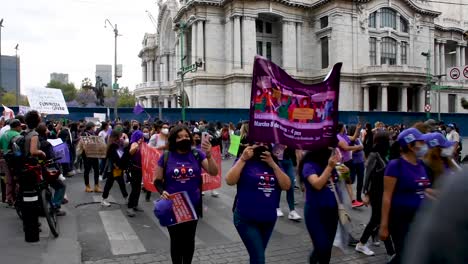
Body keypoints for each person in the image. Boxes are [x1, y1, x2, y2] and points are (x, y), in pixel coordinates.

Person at [154, 125, 218, 264]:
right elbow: (157, 180)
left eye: (186, 136)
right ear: (173, 139)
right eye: (179, 136)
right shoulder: (165, 156)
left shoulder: (197, 154)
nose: (184, 138)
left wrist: (208, 154)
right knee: (176, 241)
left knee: (189, 240)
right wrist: (161, 191)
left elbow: (213, 172)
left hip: (192, 206)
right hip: (173, 205)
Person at [225, 143, 291, 264]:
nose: (261, 145)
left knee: (256, 255)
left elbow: (286, 185)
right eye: (257, 143)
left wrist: (273, 164)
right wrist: (243, 159)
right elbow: (230, 180)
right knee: (259, 258)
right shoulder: (245, 161)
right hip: (246, 219)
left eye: (265, 143)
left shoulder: (275, 163)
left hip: (268, 219)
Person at [380, 128, 433, 264]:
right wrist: (384, 225)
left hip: (419, 219)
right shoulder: (395, 166)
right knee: (405, 255)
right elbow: (387, 196)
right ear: (410, 145)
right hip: (401, 220)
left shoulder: (422, 165)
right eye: (421, 142)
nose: (424, 145)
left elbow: (424, 189)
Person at [298, 147, 343, 264]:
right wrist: (329, 167)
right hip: (315, 212)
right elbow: (317, 184)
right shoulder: (309, 165)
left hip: (332, 211)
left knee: (327, 249)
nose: (332, 151)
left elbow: (345, 180)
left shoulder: (331, 164)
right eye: (330, 149)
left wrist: (344, 172)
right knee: (321, 247)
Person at [355, 131, 395, 258]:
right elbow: (368, 175)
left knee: (382, 218)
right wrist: (366, 193)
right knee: (377, 218)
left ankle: (390, 251)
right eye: (387, 139)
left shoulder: (387, 154)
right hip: (376, 191)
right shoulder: (374, 154)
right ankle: (362, 243)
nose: (389, 142)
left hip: (384, 190)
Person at [336, 123, 364, 208]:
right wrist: (357, 147)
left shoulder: (344, 136)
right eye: (344, 127)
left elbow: (353, 138)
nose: (345, 128)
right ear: (341, 128)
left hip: (347, 161)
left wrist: (357, 129)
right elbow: (346, 148)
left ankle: (353, 201)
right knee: (339, 182)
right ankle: (338, 201)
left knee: (347, 182)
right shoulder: (338, 137)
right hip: (341, 163)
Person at [101, 130, 129, 207]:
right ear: (116, 137)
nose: (121, 137)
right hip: (114, 168)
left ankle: (126, 198)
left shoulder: (114, 144)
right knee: (111, 184)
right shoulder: (113, 145)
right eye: (120, 136)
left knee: (120, 183)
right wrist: (116, 165)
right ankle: (104, 199)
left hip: (117, 168)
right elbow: (113, 157)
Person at [275, 145, 302, 221]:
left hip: (288, 159)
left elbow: (297, 148)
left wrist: (298, 161)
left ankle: (292, 211)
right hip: (278, 159)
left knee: (291, 184)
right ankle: (277, 207)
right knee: (279, 183)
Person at [127, 130, 145, 217]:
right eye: (141, 136)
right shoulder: (134, 143)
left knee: (138, 188)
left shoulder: (143, 144)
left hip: (140, 169)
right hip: (134, 168)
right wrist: (137, 145)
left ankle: (135, 205)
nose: (142, 138)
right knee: (134, 188)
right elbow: (130, 152)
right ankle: (130, 207)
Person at [81, 122, 102, 193]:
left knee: (97, 170)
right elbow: (85, 145)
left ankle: (96, 186)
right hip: (87, 155)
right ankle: (87, 186)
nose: (94, 128)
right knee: (87, 171)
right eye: (94, 127)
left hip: (94, 154)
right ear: (91, 127)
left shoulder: (93, 133)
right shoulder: (84, 134)